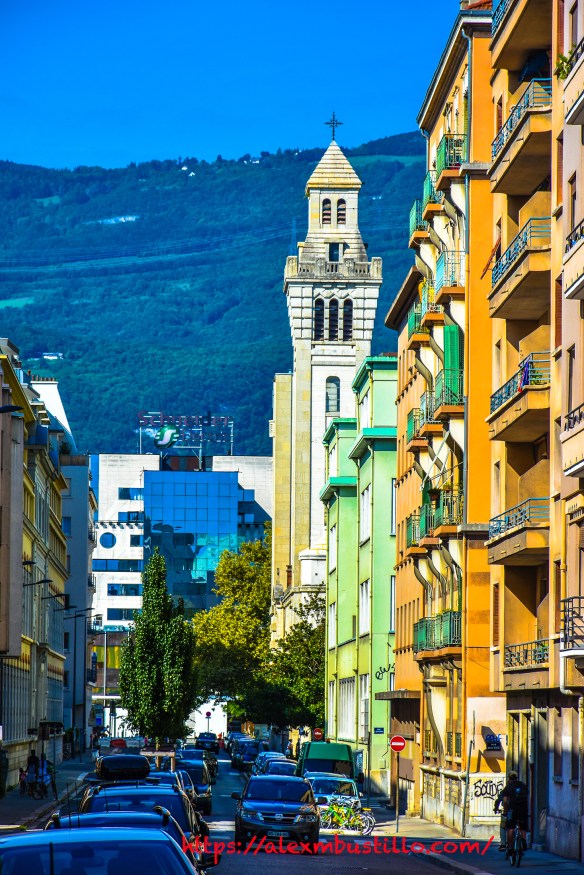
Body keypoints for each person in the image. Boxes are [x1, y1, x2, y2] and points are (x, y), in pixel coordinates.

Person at [501, 771, 528, 854]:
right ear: (517, 777)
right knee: (522, 827)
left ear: (509, 778)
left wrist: (506, 810)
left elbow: (505, 801)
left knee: (511, 828)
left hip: (513, 809)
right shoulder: (523, 785)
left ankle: (510, 847)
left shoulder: (508, 786)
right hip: (523, 808)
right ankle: (523, 842)